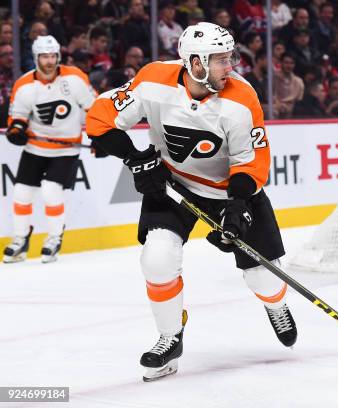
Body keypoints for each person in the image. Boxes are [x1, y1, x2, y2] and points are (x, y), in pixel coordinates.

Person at [85, 22, 297, 382]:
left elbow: (251, 161)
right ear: (195, 63)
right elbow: (99, 119)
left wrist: (238, 203)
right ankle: (170, 338)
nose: (229, 67)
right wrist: (137, 159)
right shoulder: (153, 80)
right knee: (157, 258)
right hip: (174, 185)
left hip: (230, 190)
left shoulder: (241, 97)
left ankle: (276, 305)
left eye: (230, 58)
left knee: (264, 279)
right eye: (220, 60)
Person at [3, 35, 97, 263]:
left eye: (53, 55)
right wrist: (16, 130)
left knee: (50, 189)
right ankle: (20, 239)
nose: (49, 61)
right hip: (35, 148)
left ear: (58, 56)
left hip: (66, 149)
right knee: (21, 193)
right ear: (36, 58)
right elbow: (18, 118)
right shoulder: (24, 85)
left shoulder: (75, 79)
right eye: (44, 56)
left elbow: (93, 109)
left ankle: (54, 237)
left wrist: (99, 136)